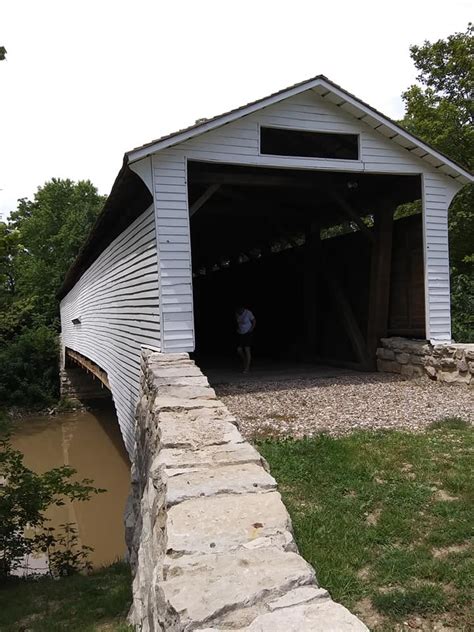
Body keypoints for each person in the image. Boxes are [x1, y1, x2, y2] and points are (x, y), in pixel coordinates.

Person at [235, 306, 256, 373]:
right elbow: (238, 322)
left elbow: (254, 320)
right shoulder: (237, 313)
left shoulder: (248, 313)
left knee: (247, 349)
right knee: (239, 349)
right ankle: (245, 361)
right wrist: (238, 329)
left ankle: (247, 368)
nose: (240, 311)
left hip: (248, 333)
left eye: (241, 310)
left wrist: (251, 329)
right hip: (241, 333)